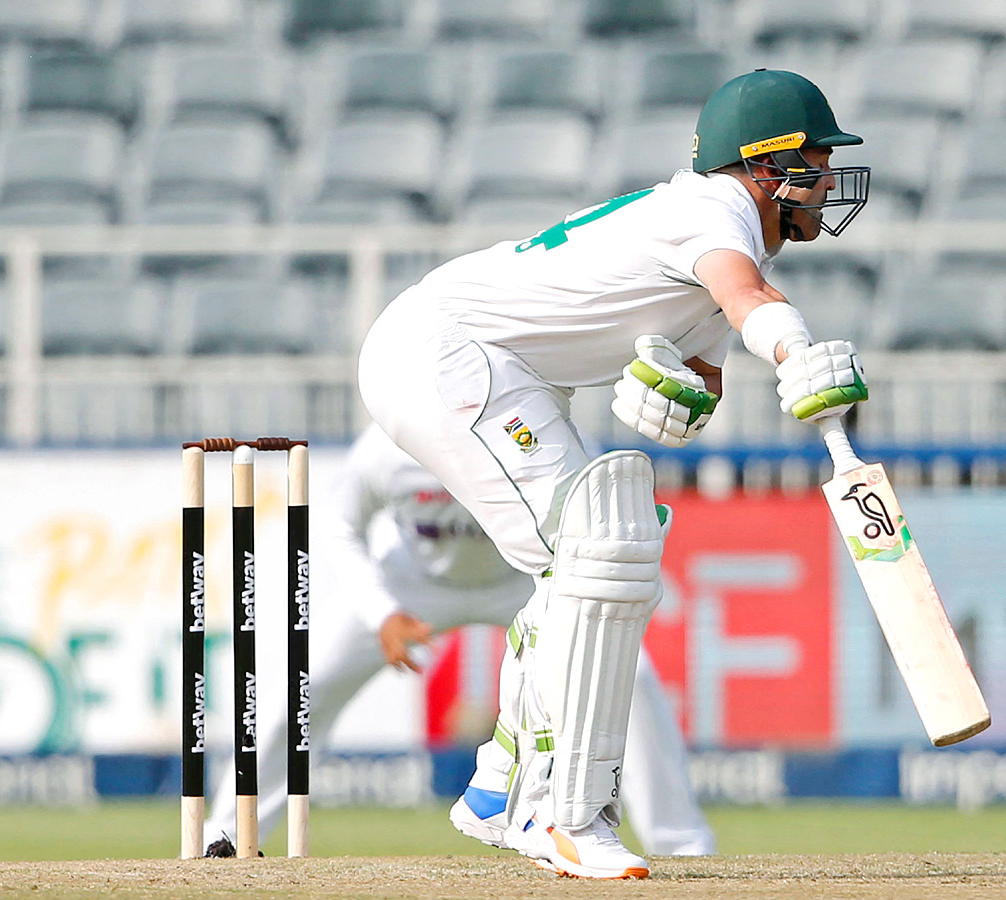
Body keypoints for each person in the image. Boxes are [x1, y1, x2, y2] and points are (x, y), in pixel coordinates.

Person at [356, 69, 871, 879]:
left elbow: (704, 370)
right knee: (598, 554)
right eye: (816, 160)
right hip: (443, 354)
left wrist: (676, 394)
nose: (831, 181)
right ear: (768, 166)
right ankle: (557, 814)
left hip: (493, 367)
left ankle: (499, 788)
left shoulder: (718, 240)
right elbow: (750, 299)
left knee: (599, 556)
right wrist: (798, 352)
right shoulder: (713, 213)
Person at [200, 423, 716, 858]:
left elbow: (590, 519)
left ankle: (682, 845)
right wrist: (383, 614)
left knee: (630, 677)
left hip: (523, 577)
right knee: (302, 685)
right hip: (413, 583)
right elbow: (338, 525)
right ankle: (224, 838)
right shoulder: (387, 447)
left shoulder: (531, 429)